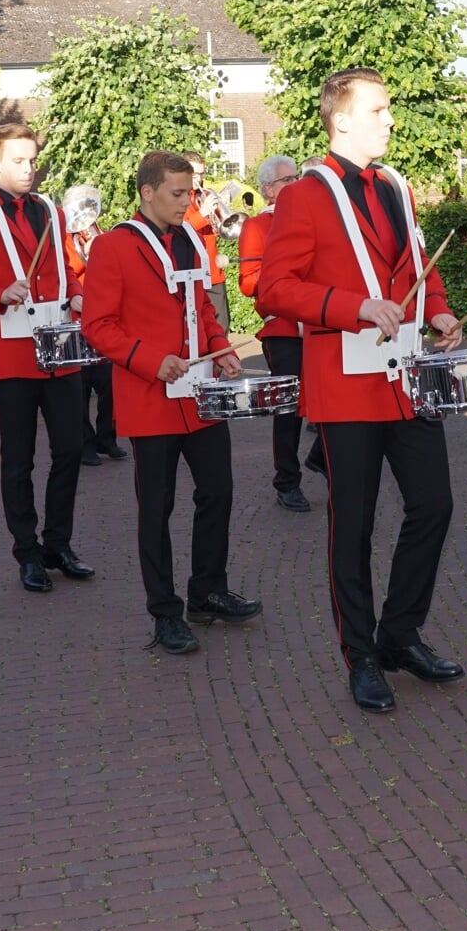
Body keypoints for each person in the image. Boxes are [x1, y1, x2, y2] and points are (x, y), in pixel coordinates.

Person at [260, 68, 467, 715]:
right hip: (345, 387)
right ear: (341, 119)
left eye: (388, 107)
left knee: (433, 505)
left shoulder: (397, 186)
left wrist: (436, 309)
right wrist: (349, 305)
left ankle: (399, 633)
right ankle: (360, 654)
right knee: (351, 525)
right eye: (378, 109)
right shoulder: (302, 195)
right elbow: (274, 289)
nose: (390, 119)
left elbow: (416, 266)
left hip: (404, 380)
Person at [83, 150, 264, 651]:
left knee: (219, 493)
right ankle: (165, 613)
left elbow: (200, 305)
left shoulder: (188, 237)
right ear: (147, 192)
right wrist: (148, 359)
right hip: (150, 396)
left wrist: (220, 347)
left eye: (189, 192)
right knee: (156, 509)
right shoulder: (114, 246)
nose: (189, 202)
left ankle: (206, 592)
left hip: (198, 393)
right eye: (178, 193)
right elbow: (97, 326)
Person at [0, 124, 94, 590]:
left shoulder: (52, 210)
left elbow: (68, 269)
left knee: (70, 449)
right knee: (17, 458)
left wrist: (81, 294)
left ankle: (58, 543)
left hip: (60, 347)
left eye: (32, 160)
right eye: (18, 161)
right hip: (10, 354)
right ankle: (26, 552)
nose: (28, 169)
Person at [238, 154, 320, 512]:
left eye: (296, 178)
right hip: (283, 327)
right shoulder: (257, 227)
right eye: (287, 180)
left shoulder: (312, 218)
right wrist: (283, 278)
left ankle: (323, 458)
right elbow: (248, 282)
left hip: (318, 324)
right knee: (287, 408)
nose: (295, 184)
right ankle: (286, 480)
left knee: (330, 398)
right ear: (268, 189)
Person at [61, 186, 125, 466]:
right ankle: (85, 442)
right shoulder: (63, 239)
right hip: (75, 318)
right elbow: (64, 272)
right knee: (81, 387)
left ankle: (106, 437)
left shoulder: (99, 232)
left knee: (109, 384)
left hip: (103, 316)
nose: (86, 215)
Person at [183, 153, 231, 330]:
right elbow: (180, 230)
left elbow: (216, 232)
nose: (199, 179)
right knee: (197, 328)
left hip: (213, 271)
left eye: (201, 174)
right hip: (192, 271)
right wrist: (202, 213)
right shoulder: (178, 198)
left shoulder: (206, 194)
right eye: (194, 174)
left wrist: (220, 217)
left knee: (221, 324)